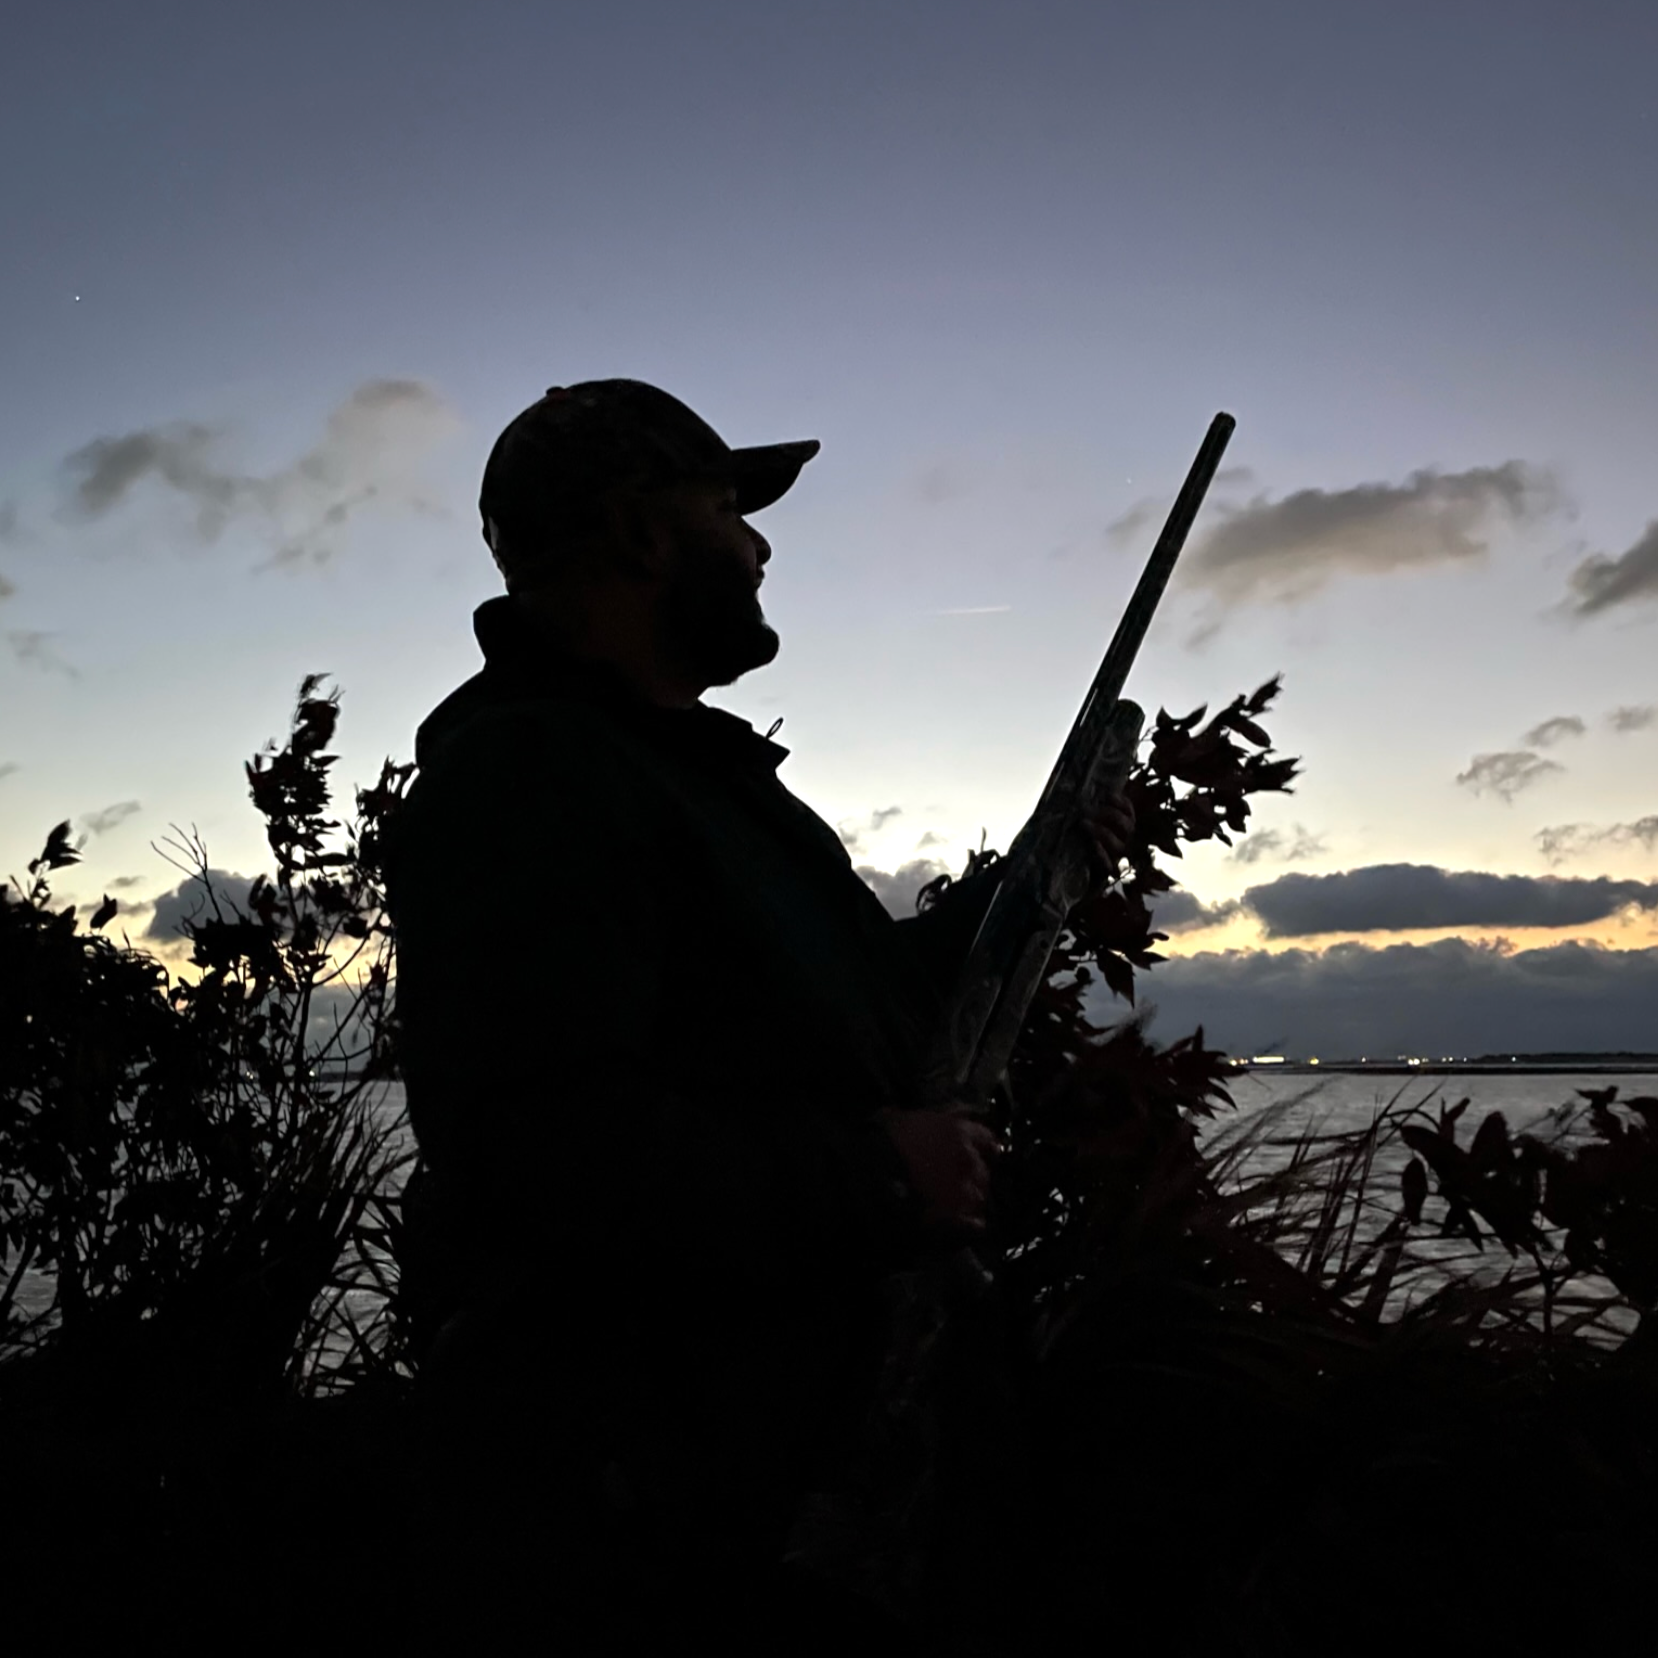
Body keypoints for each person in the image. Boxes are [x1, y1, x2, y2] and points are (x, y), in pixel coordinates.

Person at [384, 379, 1134, 1653]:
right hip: (672, 1530)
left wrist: (1030, 878)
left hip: (780, 1485)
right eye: (730, 507)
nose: (759, 545)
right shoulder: (526, 773)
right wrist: (875, 1175)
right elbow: (533, 1142)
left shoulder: (697, 780)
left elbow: (860, 1004)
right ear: (641, 534)